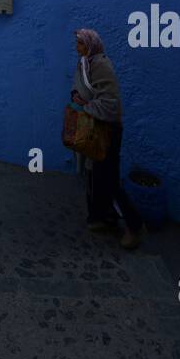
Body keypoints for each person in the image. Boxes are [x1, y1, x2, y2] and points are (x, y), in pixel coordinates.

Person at [71, 27, 143, 250]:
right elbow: (82, 90)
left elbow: (110, 103)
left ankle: (135, 226)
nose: (77, 47)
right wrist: (76, 96)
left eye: (81, 43)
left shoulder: (101, 65)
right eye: (77, 43)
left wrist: (86, 105)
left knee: (108, 178)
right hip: (92, 127)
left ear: (91, 45)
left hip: (107, 131)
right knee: (93, 175)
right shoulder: (85, 64)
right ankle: (101, 217)